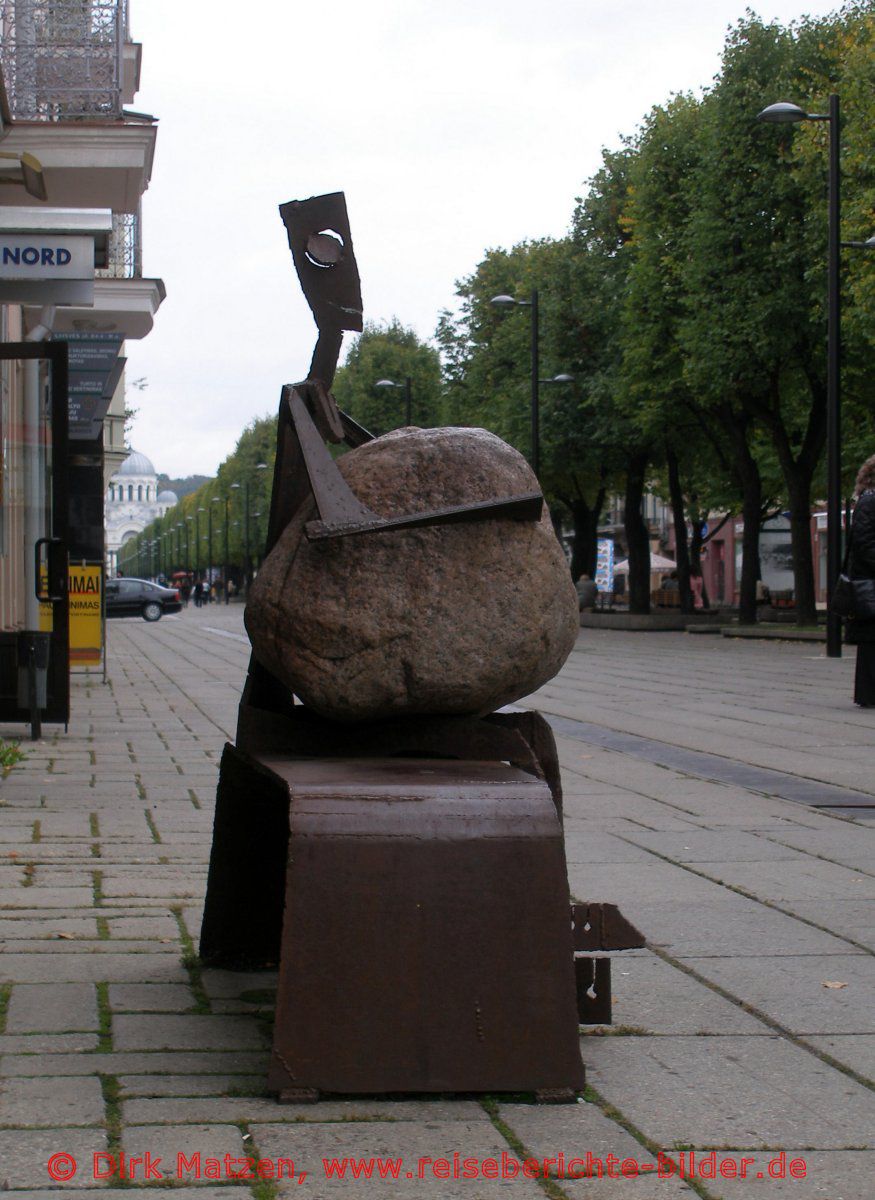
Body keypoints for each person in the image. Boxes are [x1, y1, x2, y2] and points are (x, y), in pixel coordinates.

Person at [845, 454, 875, 707]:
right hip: (870, 582)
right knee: (871, 640)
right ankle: (868, 693)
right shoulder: (870, 500)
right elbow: (864, 543)